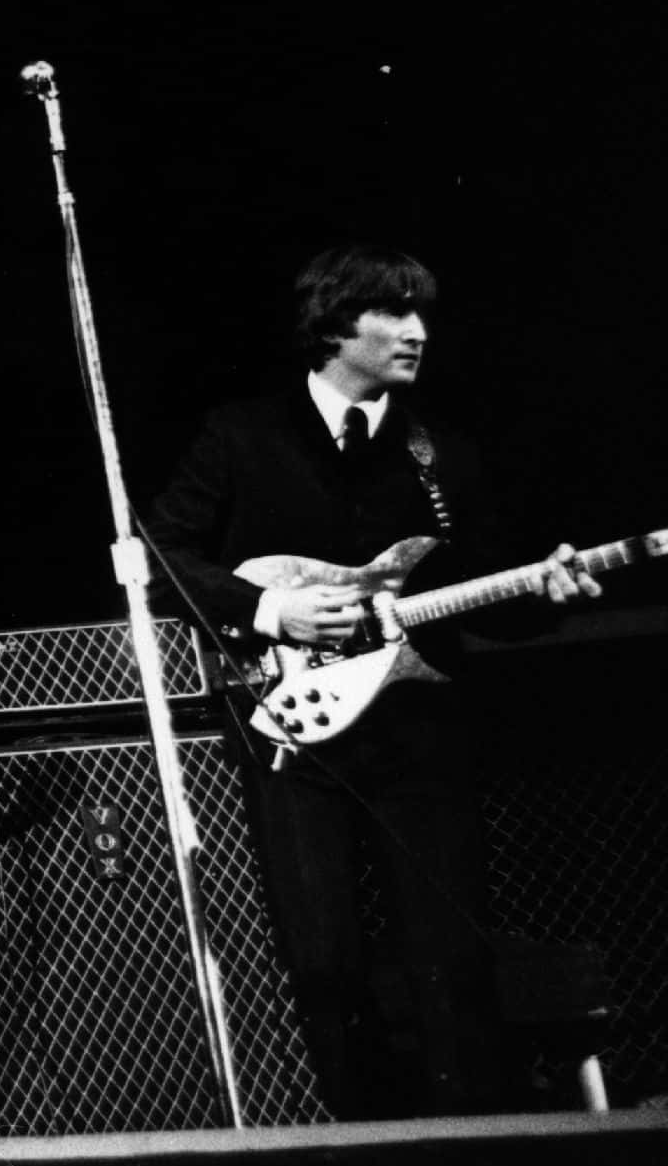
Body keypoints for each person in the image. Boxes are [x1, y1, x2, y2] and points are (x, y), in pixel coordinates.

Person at [141, 245, 591, 1118]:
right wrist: (274, 612)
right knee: (322, 962)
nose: (418, 332)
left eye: (423, 312)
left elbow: (491, 594)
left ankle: (472, 1155)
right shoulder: (242, 435)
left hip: (421, 735)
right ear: (334, 323)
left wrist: (550, 592)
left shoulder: (441, 452)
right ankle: (365, 1154)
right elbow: (160, 556)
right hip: (297, 743)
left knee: (451, 961)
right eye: (395, 312)